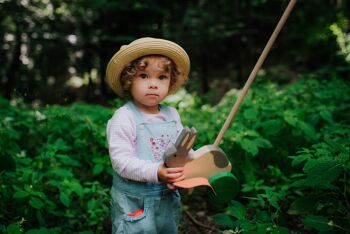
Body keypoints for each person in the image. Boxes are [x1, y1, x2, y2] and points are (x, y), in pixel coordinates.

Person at [106, 37, 191, 233]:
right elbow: (121, 162)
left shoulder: (172, 114)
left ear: (170, 82)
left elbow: (182, 151)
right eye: (143, 76)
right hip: (135, 201)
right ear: (129, 80)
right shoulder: (124, 117)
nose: (153, 84)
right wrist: (157, 172)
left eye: (161, 77)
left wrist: (186, 169)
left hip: (167, 198)